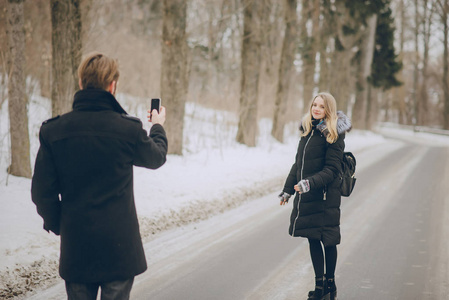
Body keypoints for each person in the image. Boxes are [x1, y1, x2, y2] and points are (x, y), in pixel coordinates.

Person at [31, 52, 168, 300]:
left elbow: (42, 193)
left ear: (82, 83)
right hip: (119, 251)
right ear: (112, 85)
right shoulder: (128, 129)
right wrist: (157, 125)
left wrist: (60, 224)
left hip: (77, 249)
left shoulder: (55, 131)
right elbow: (156, 157)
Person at [278, 92, 351, 300]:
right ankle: (320, 286)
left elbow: (332, 170)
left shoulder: (333, 134)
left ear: (329, 110)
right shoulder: (308, 130)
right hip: (308, 194)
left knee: (327, 240)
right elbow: (298, 165)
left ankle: (330, 284)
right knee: (312, 238)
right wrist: (288, 190)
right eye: (314, 105)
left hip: (326, 195)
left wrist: (309, 183)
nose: (316, 109)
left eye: (321, 106)